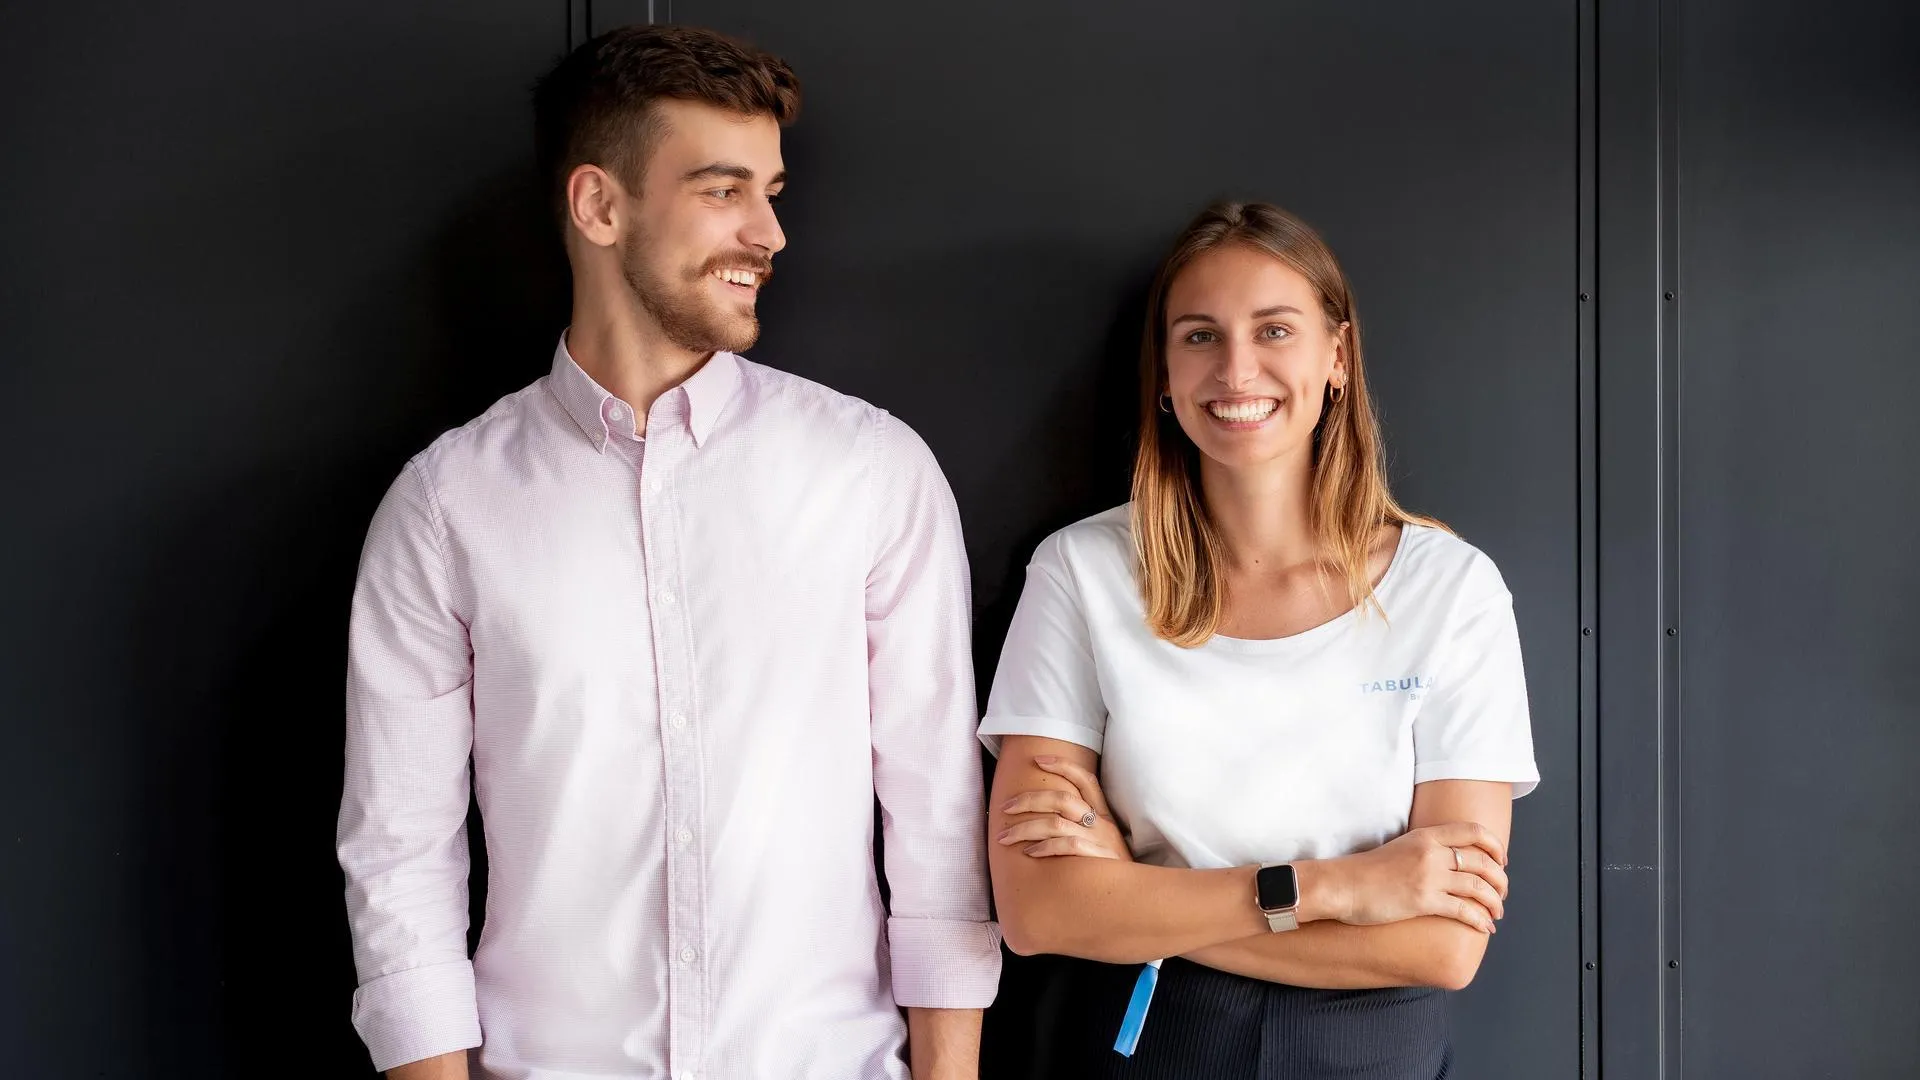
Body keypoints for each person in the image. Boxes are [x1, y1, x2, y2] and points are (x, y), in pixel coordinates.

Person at [338, 26, 999, 1080]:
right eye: (723, 190)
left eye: (770, 192)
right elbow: (399, 857)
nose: (770, 233)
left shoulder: (871, 472)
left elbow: (939, 822)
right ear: (600, 206)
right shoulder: (446, 507)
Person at [978, 201, 1539, 1079]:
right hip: (1154, 1045)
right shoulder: (1081, 571)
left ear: (1338, 357)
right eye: (1200, 336)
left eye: (1274, 330)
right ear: (1165, 374)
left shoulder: (1452, 590)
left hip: (1371, 1052)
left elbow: (1442, 945)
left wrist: (1137, 900)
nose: (1236, 369)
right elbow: (1038, 910)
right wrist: (1341, 889)